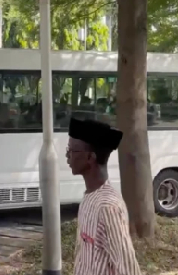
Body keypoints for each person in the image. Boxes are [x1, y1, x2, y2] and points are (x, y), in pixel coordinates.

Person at [65, 117, 141, 275]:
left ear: (89, 158)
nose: (67, 156)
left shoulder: (108, 208)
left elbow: (128, 268)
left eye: (72, 150)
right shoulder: (89, 196)